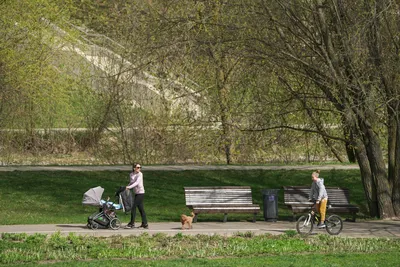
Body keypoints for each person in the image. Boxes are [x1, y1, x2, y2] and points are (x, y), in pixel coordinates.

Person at [125, 163, 148, 229]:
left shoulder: (140, 174)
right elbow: (131, 182)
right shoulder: (131, 174)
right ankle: (145, 223)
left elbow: (137, 183)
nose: (139, 169)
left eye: (140, 167)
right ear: (134, 168)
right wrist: (127, 186)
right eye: (138, 167)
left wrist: (129, 187)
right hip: (136, 193)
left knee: (133, 207)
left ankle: (132, 223)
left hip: (141, 193)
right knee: (141, 209)